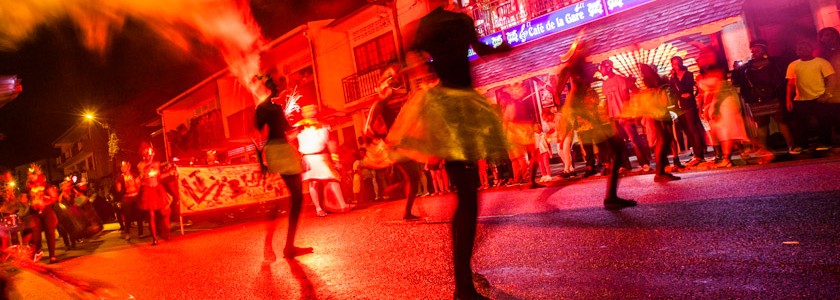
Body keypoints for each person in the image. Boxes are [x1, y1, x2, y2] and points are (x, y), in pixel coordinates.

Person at [386, 0, 511, 297]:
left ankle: (463, 280)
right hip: (461, 106)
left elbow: (403, 57)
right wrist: (503, 47)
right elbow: (481, 50)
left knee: (466, 196)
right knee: (468, 199)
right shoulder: (462, 21)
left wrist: (414, 67)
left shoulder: (427, 24)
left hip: (442, 105)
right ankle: (463, 285)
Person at [556, 37, 636, 209]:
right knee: (616, 150)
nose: (586, 53)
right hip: (585, 118)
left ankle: (611, 196)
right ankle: (610, 197)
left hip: (589, 117)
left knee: (617, 149)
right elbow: (562, 93)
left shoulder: (579, 68)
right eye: (582, 50)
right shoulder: (573, 69)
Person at [255, 74, 311, 260]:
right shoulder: (264, 108)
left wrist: (300, 128)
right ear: (269, 88)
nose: (279, 88)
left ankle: (287, 246)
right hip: (276, 151)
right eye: (275, 85)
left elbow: (286, 130)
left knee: (295, 198)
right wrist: (261, 163)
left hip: (281, 150)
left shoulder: (274, 108)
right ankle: (275, 246)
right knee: (284, 201)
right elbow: (257, 136)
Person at [732, 40, 794, 157]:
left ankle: (791, 145)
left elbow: (782, 78)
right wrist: (736, 70)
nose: (754, 53)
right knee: (761, 124)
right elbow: (736, 82)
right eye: (753, 51)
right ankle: (763, 149)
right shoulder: (746, 67)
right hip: (756, 99)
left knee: (782, 121)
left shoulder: (774, 63)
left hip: (774, 96)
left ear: (764, 50)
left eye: (757, 50)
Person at [293, 105, 354, 217]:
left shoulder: (324, 125)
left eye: (313, 109)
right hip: (308, 158)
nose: (311, 112)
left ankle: (341, 205)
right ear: (302, 113)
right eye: (307, 110)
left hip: (322, 157)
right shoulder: (298, 126)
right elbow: (289, 139)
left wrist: (335, 159)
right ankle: (318, 208)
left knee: (333, 179)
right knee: (314, 183)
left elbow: (331, 142)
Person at [629, 64, 681, 182]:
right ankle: (659, 173)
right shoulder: (654, 91)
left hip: (660, 116)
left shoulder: (648, 91)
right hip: (660, 117)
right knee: (662, 142)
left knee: (664, 141)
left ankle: (661, 171)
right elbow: (663, 103)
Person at [600, 59, 652, 172]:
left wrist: (626, 113)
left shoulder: (619, 79)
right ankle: (625, 164)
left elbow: (625, 97)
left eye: (602, 68)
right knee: (619, 142)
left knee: (634, 139)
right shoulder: (604, 84)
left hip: (624, 115)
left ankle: (644, 163)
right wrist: (609, 115)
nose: (601, 71)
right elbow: (608, 101)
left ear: (608, 67)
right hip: (614, 117)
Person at [785, 40, 835, 152]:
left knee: (824, 121)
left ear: (811, 49)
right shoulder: (793, 65)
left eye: (805, 47)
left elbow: (831, 79)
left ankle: (825, 142)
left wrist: (827, 94)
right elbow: (791, 83)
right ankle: (802, 145)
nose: (802, 50)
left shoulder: (821, 62)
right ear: (796, 51)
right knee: (800, 124)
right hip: (801, 99)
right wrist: (788, 99)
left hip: (819, 96)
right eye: (799, 48)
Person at [668, 56, 708, 166]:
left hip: (688, 104)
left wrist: (674, 78)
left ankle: (699, 154)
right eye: (673, 63)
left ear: (681, 63)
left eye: (677, 62)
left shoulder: (688, 74)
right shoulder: (672, 78)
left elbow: (684, 88)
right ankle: (695, 154)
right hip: (679, 106)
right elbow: (673, 92)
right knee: (686, 130)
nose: (675, 65)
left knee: (692, 128)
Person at [137, 146, 170, 245]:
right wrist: (147, 168)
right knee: (151, 215)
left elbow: (159, 177)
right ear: (144, 156)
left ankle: (166, 232)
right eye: (147, 155)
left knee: (165, 212)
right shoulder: (141, 165)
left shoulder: (157, 164)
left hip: (157, 189)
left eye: (151, 155)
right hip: (148, 190)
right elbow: (142, 177)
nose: (149, 157)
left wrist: (169, 173)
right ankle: (154, 238)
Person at [114, 161, 141, 240]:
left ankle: (140, 232)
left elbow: (139, 185)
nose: (122, 168)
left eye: (124, 166)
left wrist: (136, 185)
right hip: (126, 197)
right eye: (121, 167)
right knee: (127, 215)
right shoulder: (120, 177)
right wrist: (120, 187)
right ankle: (127, 232)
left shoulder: (134, 175)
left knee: (138, 215)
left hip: (135, 196)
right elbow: (118, 189)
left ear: (129, 167)